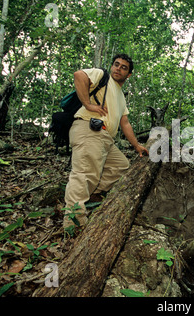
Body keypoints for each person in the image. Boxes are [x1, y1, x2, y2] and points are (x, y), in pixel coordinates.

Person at [63, 53, 148, 230]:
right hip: (89, 130)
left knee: (122, 167)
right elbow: (79, 75)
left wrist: (137, 145)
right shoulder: (103, 76)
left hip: (105, 139)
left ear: (129, 74)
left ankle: (90, 195)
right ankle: (74, 224)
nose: (118, 68)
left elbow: (124, 122)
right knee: (84, 175)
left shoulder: (121, 96)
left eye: (123, 67)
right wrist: (87, 104)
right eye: (116, 64)